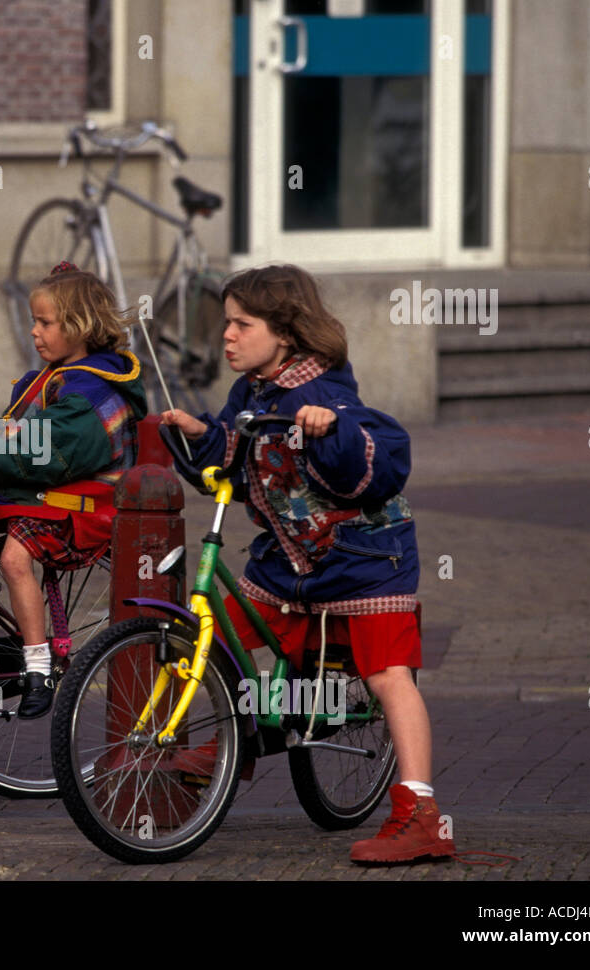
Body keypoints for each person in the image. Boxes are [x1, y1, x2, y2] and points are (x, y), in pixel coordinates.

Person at [159, 264, 452, 865]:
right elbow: (239, 461)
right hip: (289, 560)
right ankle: (232, 745)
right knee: (218, 637)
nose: (227, 336)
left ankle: (421, 814)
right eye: (226, 323)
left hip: (364, 557)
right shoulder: (255, 390)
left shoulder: (323, 392)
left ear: (285, 333)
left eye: (242, 324)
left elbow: (383, 458)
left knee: (386, 675)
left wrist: (330, 431)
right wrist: (201, 436)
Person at [0, 263, 147, 718]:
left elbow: (53, 448)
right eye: (34, 322)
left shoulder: (91, 389)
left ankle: (36, 667)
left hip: (77, 503)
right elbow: (9, 432)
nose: (35, 332)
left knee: (14, 560)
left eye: (45, 323)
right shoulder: (51, 377)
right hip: (41, 490)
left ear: (79, 327)